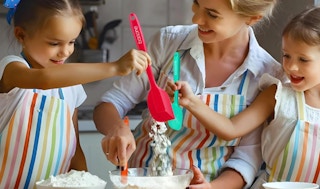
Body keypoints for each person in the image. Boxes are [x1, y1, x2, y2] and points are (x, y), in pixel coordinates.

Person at [93, 0, 287, 188]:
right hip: (140, 182)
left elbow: (247, 159)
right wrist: (116, 128)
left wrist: (211, 187)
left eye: (212, 14)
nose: (196, 19)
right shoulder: (169, 42)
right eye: (196, 3)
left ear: (252, 18)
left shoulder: (267, 76)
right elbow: (111, 103)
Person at [0, 0, 150, 188]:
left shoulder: (72, 87)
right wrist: (114, 67)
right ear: (21, 35)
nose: (65, 52)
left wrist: (85, 181)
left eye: (71, 42)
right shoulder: (11, 68)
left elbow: (74, 150)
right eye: (54, 43)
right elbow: (43, 79)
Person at [167, 6, 320, 188]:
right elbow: (231, 129)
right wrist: (192, 103)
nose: (291, 67)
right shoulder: (277, 95)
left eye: (303, 59)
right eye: (287, 55)